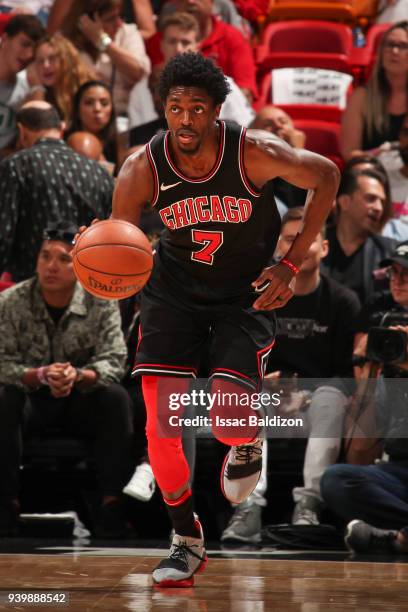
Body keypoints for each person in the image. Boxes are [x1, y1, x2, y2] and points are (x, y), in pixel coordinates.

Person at [102, 52, 340, 586]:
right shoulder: (142, 167)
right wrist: (98, 257)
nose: (185, 120)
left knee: (229, 419)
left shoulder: (251, 151)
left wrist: (289, 261)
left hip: (241, 295)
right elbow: (123, 243)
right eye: (175, 108)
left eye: (197, 109)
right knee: (161, 428)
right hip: (172, 296)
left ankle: (246, 437)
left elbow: (326, 175)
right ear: (164, 109)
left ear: (216, 112)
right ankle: (185, 539)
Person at [221, 209, 360, 542]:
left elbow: (348, 375)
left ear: (324, 248)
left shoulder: (343, 302)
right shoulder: (260, 297)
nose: (301, 245)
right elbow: (238, 358)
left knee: (328, 398)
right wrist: (261, 381)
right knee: (248, 396)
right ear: (277, 248)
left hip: (319, 403)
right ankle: (248, 507)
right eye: (290, 238)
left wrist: (308, 395)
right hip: (270, 397)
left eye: (309, 238)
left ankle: (309, 506)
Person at [0, 220, 134, 538]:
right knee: (4, 399)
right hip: (32, 400)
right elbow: (2, 360)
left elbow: (115, 359)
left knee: (116, 397)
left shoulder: (100, 302)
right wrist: (38, 375)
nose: (51, 266)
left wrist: (81, 375)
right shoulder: (11, 302)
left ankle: (112, 506)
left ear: (80, 265)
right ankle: (6, 505)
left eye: (63, 259)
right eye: (45, 256)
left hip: (80, 400)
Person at [321, 241, 408, 554]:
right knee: (336, 479)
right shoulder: (390, 341)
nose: (397, 280)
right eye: (394, 273)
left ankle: (398, 539)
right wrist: (367, 380)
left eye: (406, 274)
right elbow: (360, 454)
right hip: (399, 470)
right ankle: (402, 535)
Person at [0, 100, 113, 281]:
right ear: (61, 128)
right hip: (85, 288)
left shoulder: (16, 165)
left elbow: (3, 234)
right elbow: (109, 235)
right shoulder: (99, 172)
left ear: (21, 131)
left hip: (30, 287)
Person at [146, 0, 258, 103]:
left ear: (212, 3)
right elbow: (144, 92)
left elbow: (245, 94)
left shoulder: (232, 37)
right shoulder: (158, 41)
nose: (190, 1)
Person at [58, 0, 151, 119]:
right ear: (86, 21)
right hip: (79, 119)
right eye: (111, 19)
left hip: (124, 118)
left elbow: (138, 72)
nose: (119, 24)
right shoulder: (65, 42)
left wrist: (102, 41)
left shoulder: (127, 33)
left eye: (121, 16)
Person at [322, 167, 396, 303]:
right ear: (345, 202)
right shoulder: (315, 245)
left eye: (382, 202)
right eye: (371, 198)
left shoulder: (390, 252)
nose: (379, 208)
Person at [340, 21, 408, 161]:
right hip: (373, 172)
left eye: (403, 46)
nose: (394, 51)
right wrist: (383, 163)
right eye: (389, 45)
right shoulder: (361, 97)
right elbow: (350, 153)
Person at [0, 13, 45, 155]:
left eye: (34, 50)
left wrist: (37, 87)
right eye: (25, 44)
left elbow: (35, 141)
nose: (29, 55)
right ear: (5, 39)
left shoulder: (27, 90)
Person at [250, 105, 307, 212]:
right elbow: (288, 203)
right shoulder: (250, 165)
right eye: (268, 124)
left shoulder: (315, 161)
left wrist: (299, 153)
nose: (278, 126)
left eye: (283, 121)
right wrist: (296, 154)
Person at [29, 33, 95, 122]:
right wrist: (37, 88)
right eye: (40, 61)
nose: (46, 65)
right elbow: (35, 128)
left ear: (66, 60)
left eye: (52, 58)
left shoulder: (86, 91)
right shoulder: (38, 95)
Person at [65, 79, 122, 171]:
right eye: (89, 103)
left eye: (104, 103)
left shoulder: (119, 144)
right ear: (77, 110)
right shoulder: (64, 141)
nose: (97, 109)